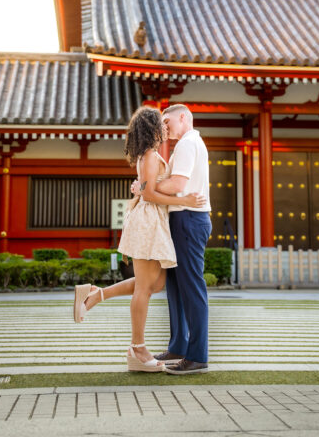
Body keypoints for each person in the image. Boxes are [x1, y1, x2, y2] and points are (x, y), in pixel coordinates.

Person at [72, 106, 206, 372]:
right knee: (146, 287)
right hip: (149, 221)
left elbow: (147, 190)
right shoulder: (151, 155)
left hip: (153, 220)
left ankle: (95, 295)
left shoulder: (152, 154)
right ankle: (138, 349)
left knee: (156, 283)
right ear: (153, 128)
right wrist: (183, 198)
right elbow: (151, 194)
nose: (166, 129)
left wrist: (143, 188)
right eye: (162, 124)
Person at [145, 103, 213, 375]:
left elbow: (177, 185)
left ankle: (197, 355)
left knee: (191, 286)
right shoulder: (188, 143)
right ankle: (179, 345)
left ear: (183, 117)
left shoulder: (187, 144)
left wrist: (146, 187)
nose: (164, 127)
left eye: (167, 121)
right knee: (175, 285)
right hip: (184, 218)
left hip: (188, 218)